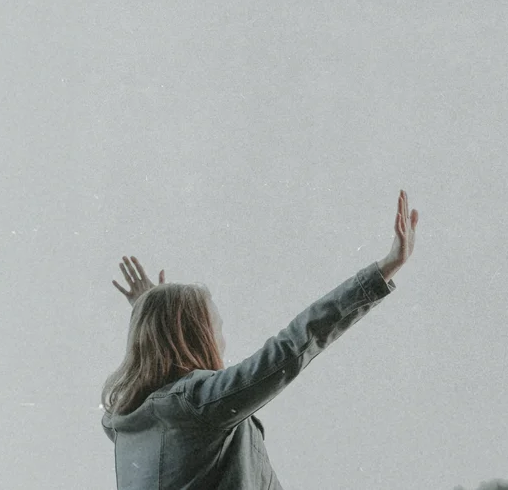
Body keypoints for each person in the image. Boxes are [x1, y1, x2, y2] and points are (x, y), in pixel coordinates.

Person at [101, 190, 420, 489]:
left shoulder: (125, 424)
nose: (221, 342)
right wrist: (382, 272)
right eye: (217, 329)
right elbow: (296, 343)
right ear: (195, 336)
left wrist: (152, 312)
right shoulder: (202, 403)